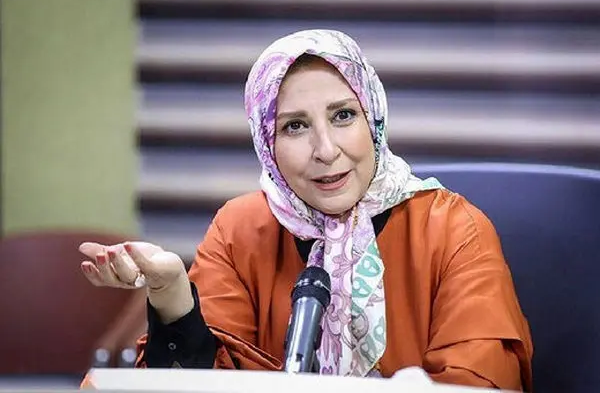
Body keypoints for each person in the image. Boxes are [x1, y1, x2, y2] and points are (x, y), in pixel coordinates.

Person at [79, 29, 533, 390]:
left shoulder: (455, 230)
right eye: (295, 126)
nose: (326, 150)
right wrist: (173, 297)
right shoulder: (239, 231)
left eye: (343, 115)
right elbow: (204, 384)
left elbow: (479, 383)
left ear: (374, 119)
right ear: (266, 143)